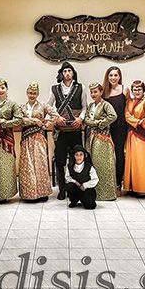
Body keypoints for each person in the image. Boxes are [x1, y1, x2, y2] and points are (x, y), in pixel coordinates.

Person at [47, 62, 88, 200]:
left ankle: (75, 187)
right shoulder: (54, 89)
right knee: (60, 161)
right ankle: (62, 189)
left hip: (75, 130)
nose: (67, 73)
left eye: (69, 71)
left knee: (77, 159)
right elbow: (48, 106)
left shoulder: (81, 87)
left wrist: (80, 119)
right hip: (61, 132)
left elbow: (84, 107)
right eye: (65, 71)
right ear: (61, 73)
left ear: (73, 73)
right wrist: (56, 117)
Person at [18, 82, 58, 202]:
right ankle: (29, 194)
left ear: (38, 94)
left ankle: (42, 193)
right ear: (27, 93)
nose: (32, 95)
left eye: (34, 93)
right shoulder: (22, 107)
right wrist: (35, 121)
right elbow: (19, 120)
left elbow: (55, 115)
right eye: (30, 93)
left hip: (39, 138)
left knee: (40, 164)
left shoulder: (43, 105)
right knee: (27, 165)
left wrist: (47, 124)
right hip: (26, 138)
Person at [85, 82, 118, 201]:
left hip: (102, 138)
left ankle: (107, 194)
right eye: (91, 92)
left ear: (101, 92)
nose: (93, 94)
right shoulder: (90, 105)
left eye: (95, 92)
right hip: (91, 138)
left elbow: (113, 116)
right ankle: (94, 193)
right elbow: (86, 118)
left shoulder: (106, 105)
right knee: (93, 164)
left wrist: (100, 124)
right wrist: (93, 123)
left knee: (103, 165)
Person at [124, 80, 145, 196]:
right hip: (132, 134)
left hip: (143, 135)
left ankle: (143, 188)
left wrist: (144, 122)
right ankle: (133, 187)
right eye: (135, 90)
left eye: (139, 89)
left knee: (142, 161)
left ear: (143, 91)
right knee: (132, 160)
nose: (137, 92)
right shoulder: (129, 101)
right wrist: (137, 122)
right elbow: (127, 115)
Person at [102, 66, 128, 190]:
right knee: (107, 154)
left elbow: (129, 108)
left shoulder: (125, 90)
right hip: (107, 127)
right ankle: (107, 181)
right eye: (111, 75)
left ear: (119, 76)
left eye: (116, 75)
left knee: (119, 154)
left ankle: (118, 183)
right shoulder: (104, 92)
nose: (113, 77)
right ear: (107, 77)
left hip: (121, 127)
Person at [65, 145, 99, 209]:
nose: (79, 157)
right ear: (74, 156)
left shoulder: (89, 166)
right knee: (69, 186)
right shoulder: (70, 166)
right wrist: (75, 182)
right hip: (76, 188)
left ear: (84, 156)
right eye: (76, 155)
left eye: (81, 154)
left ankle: (84, 200)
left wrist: (85, 185)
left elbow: (95, 179)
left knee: (90, 206)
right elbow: (67, 177)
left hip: (86, 189)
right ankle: (74, 201)